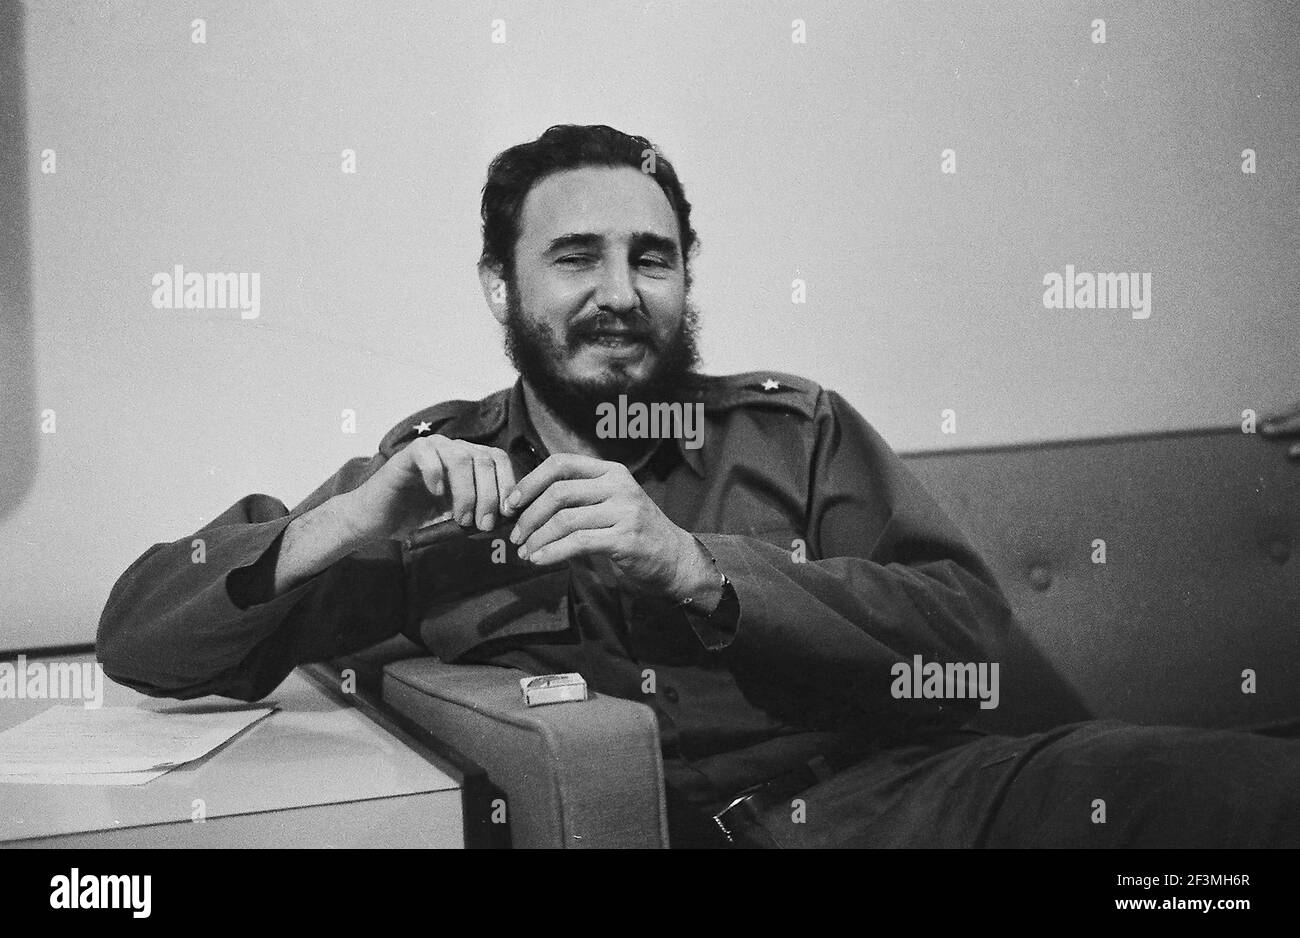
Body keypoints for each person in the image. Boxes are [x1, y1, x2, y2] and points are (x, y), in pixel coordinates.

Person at [98, 124, 1300, 848]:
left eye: (652, 257)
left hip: (920, 802)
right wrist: (342, 519)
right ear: (498, 286)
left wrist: (698, 566)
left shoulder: (795, 428)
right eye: (575, 256)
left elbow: (972, 642)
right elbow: (143, 643)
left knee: (1238, 794)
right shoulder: (429, 482)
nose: (620, 291)